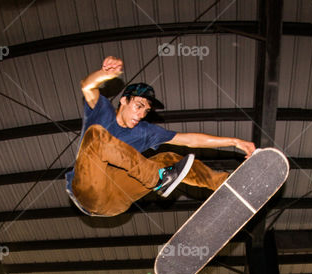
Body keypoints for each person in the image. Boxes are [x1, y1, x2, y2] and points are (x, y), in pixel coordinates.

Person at [66, 55, 256, 217]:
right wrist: (104, 74)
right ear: (124, 100)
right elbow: (87, 86)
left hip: (117, 199)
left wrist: (235, 141)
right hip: (88, 192)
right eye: (138, 106)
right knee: (96, 136)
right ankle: (158, 180)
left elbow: (190, 140)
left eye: (145, 111)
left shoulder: (145, 131)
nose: (141, 115)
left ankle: (228, 185)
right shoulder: (103, 110)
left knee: (172, 160)